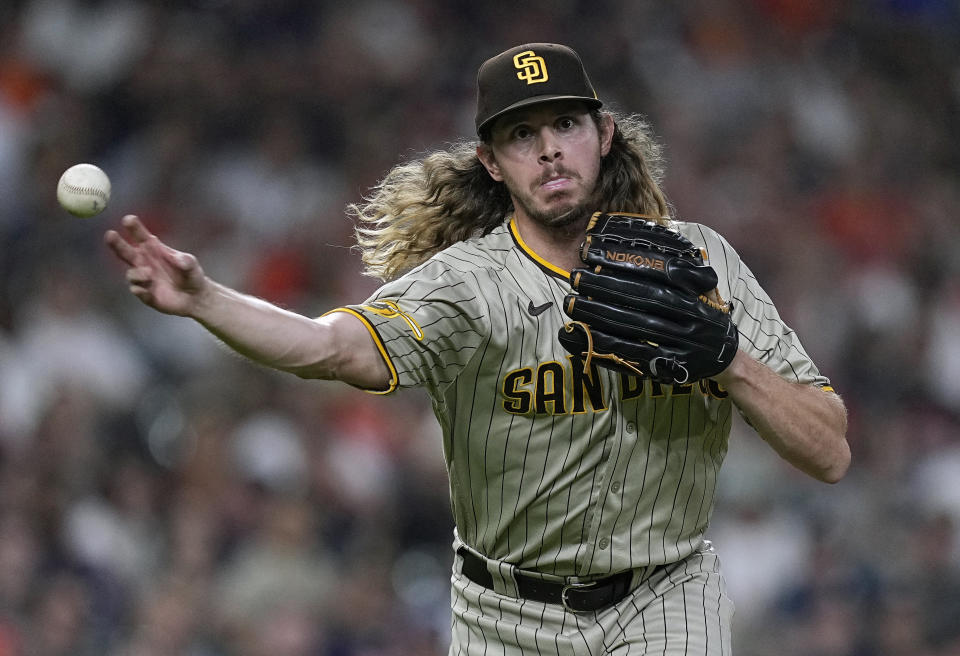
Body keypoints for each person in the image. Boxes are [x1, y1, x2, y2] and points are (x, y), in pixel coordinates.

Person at [105, 43, 850, 655]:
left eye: (566, 124)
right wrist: (206, 299)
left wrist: (730, 363)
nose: (550, 150)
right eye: (522, 135)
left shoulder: (698, 264)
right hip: (506, 617)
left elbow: (830, 452)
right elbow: (331, 346)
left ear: (605, 134)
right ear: (492, 162)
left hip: (667, 598)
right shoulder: (464, 287)